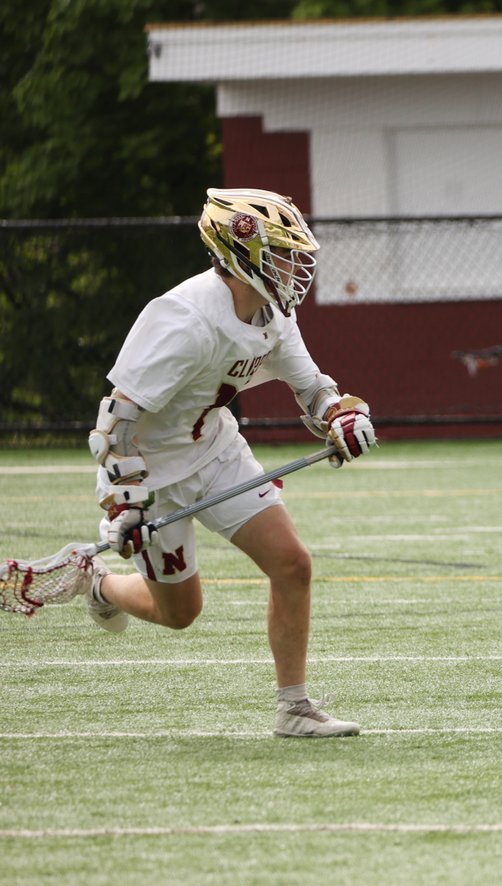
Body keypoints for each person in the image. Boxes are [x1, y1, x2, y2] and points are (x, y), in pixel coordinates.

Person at [77, 187, 376, 737]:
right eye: (282, 253)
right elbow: (114, 427)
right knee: (180, 613)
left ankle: (294, 708)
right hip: (154, 473)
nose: (294, 265)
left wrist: (339, 415)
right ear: (240, 254)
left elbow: (312, 388)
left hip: (216, 451)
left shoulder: (271, 312)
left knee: (293, 564)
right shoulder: (183, 317)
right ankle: (101, 586)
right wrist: (126, 501)